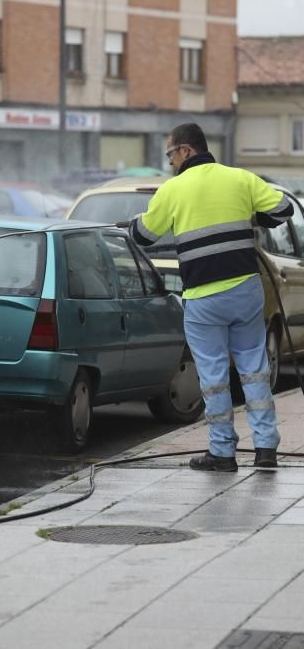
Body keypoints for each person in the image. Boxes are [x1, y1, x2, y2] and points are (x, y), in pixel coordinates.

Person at [128, 122, 293, 472]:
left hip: (203, 298)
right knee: (254, 369)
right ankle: (265, 451)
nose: (170, 162)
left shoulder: (174, 190)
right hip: (245, 290)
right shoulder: (240, 179)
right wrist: (255, 217)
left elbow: (144, 235)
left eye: (171, 154)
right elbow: (283, 209)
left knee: (214, 376)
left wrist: (126, 225)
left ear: (186, 151)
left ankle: (222, 452)